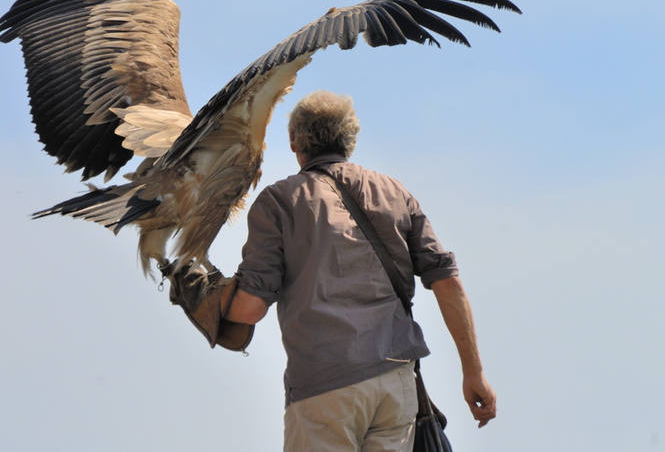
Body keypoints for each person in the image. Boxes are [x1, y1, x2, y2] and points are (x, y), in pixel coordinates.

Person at [177, 90, 496, 451]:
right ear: (351, 139)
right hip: (396, 384)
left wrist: (194, 289)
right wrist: (474, 372)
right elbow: (448, 282)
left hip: (324, 387)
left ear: (294, 140)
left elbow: (249, 309)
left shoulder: (280, 201)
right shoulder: (395, 193)